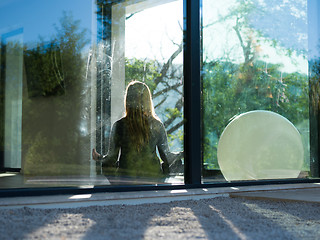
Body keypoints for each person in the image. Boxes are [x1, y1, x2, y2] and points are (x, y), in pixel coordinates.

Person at [92, 80, 183, 179]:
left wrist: (100, 158)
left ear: (128, 100)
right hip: (152, 179)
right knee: (174, 164)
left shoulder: (120, 125)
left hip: (127, 179)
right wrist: (184, 153)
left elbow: (111, 160)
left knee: (109, 167)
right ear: (148, 100)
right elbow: (167, 157)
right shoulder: (157, 125)